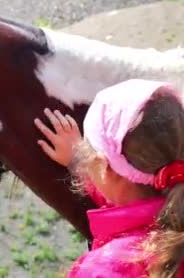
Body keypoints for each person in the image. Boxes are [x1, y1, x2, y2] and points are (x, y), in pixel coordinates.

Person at [34, 79, 184, 277]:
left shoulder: (102, 270)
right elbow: (129, 190)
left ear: (105, 167)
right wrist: (77, 161)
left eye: (87, 148)